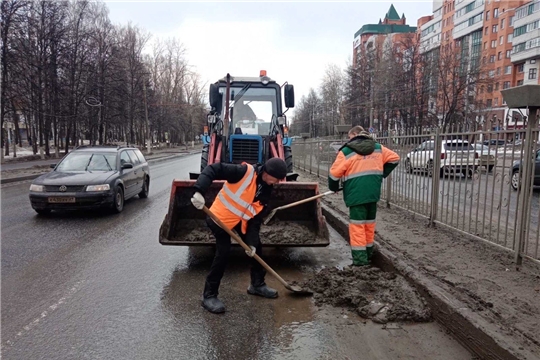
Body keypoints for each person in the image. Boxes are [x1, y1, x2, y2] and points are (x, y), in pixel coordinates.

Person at [190, 157, 288, 314]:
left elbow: (254, 219)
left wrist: (252, 244)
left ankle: (257, 285)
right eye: (276, 179)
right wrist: (199, 191)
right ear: (268, 173)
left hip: (239, 221)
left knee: (257, 249)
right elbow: (213, 169)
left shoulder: (266, 190)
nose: (276, 183)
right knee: (223, 252)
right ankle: (209, 295)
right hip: (218, 218)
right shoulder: (243, 172)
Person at [328, 126, 400, 266]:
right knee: (369, 225)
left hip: (356, 195)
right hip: (372, 194)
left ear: (354, 135)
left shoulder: (347, 151)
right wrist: (380, 174)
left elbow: (334, 174)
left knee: (357, 228)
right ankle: (368, 254)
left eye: (349, 137)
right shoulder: (378, 148)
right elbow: (395, 158)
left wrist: (334, 188)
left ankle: (360, 261)